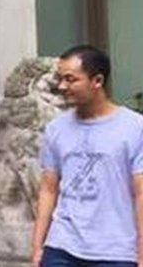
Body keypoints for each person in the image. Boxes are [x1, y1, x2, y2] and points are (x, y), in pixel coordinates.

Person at [32, 45, 143, 267]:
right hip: (61, 247)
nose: (62, 86)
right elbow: (48, 189)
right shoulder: (56, 128)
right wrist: (37, 248)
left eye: (71, 79)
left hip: (115, 252)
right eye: (60, 79)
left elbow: (141, 192)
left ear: (97, 81)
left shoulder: (134, 127)